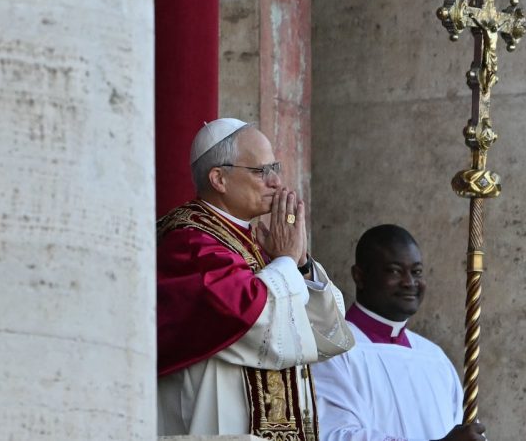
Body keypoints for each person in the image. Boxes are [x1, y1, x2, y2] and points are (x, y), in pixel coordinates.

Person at [157, 118, 355, 440]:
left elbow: (318, 338)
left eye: (274, 168)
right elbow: (246, 315)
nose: (276, 182)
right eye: (261, 171)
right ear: (219, 179)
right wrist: (286, 261)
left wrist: (301, 264)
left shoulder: (259, 244)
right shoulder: (189, 242)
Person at [312, 224, 487, 441]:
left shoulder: (434, 358)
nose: (409, 282)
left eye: (416, 272)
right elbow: (333, 434)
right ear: (359, 276)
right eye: (395, 271)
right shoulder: (332, 350)